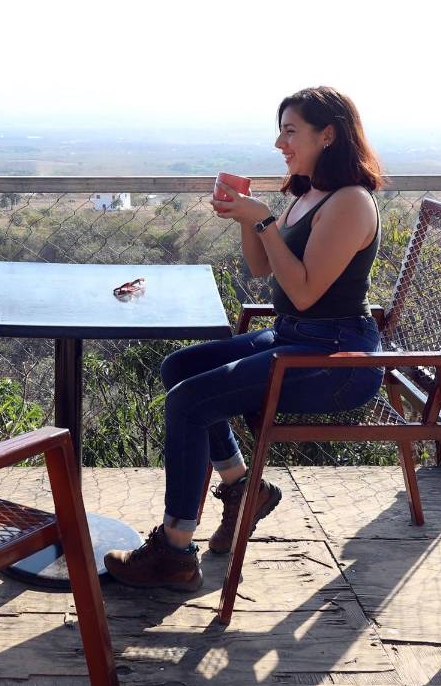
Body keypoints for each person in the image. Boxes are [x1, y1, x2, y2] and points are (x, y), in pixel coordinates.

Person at [105, 86, 386, 590]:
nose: (281, 142)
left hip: (337, 358)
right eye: (280, 130)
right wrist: (245, 219)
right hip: (295, 337)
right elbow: (262, 268)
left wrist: (263, 219)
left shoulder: (350, 204)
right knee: (180, 369)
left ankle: (173, 549)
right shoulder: (306, 193)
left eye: (290, 131)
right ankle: (241, 488)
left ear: (328, 135)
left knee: (190, 402)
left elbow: (302, 292)